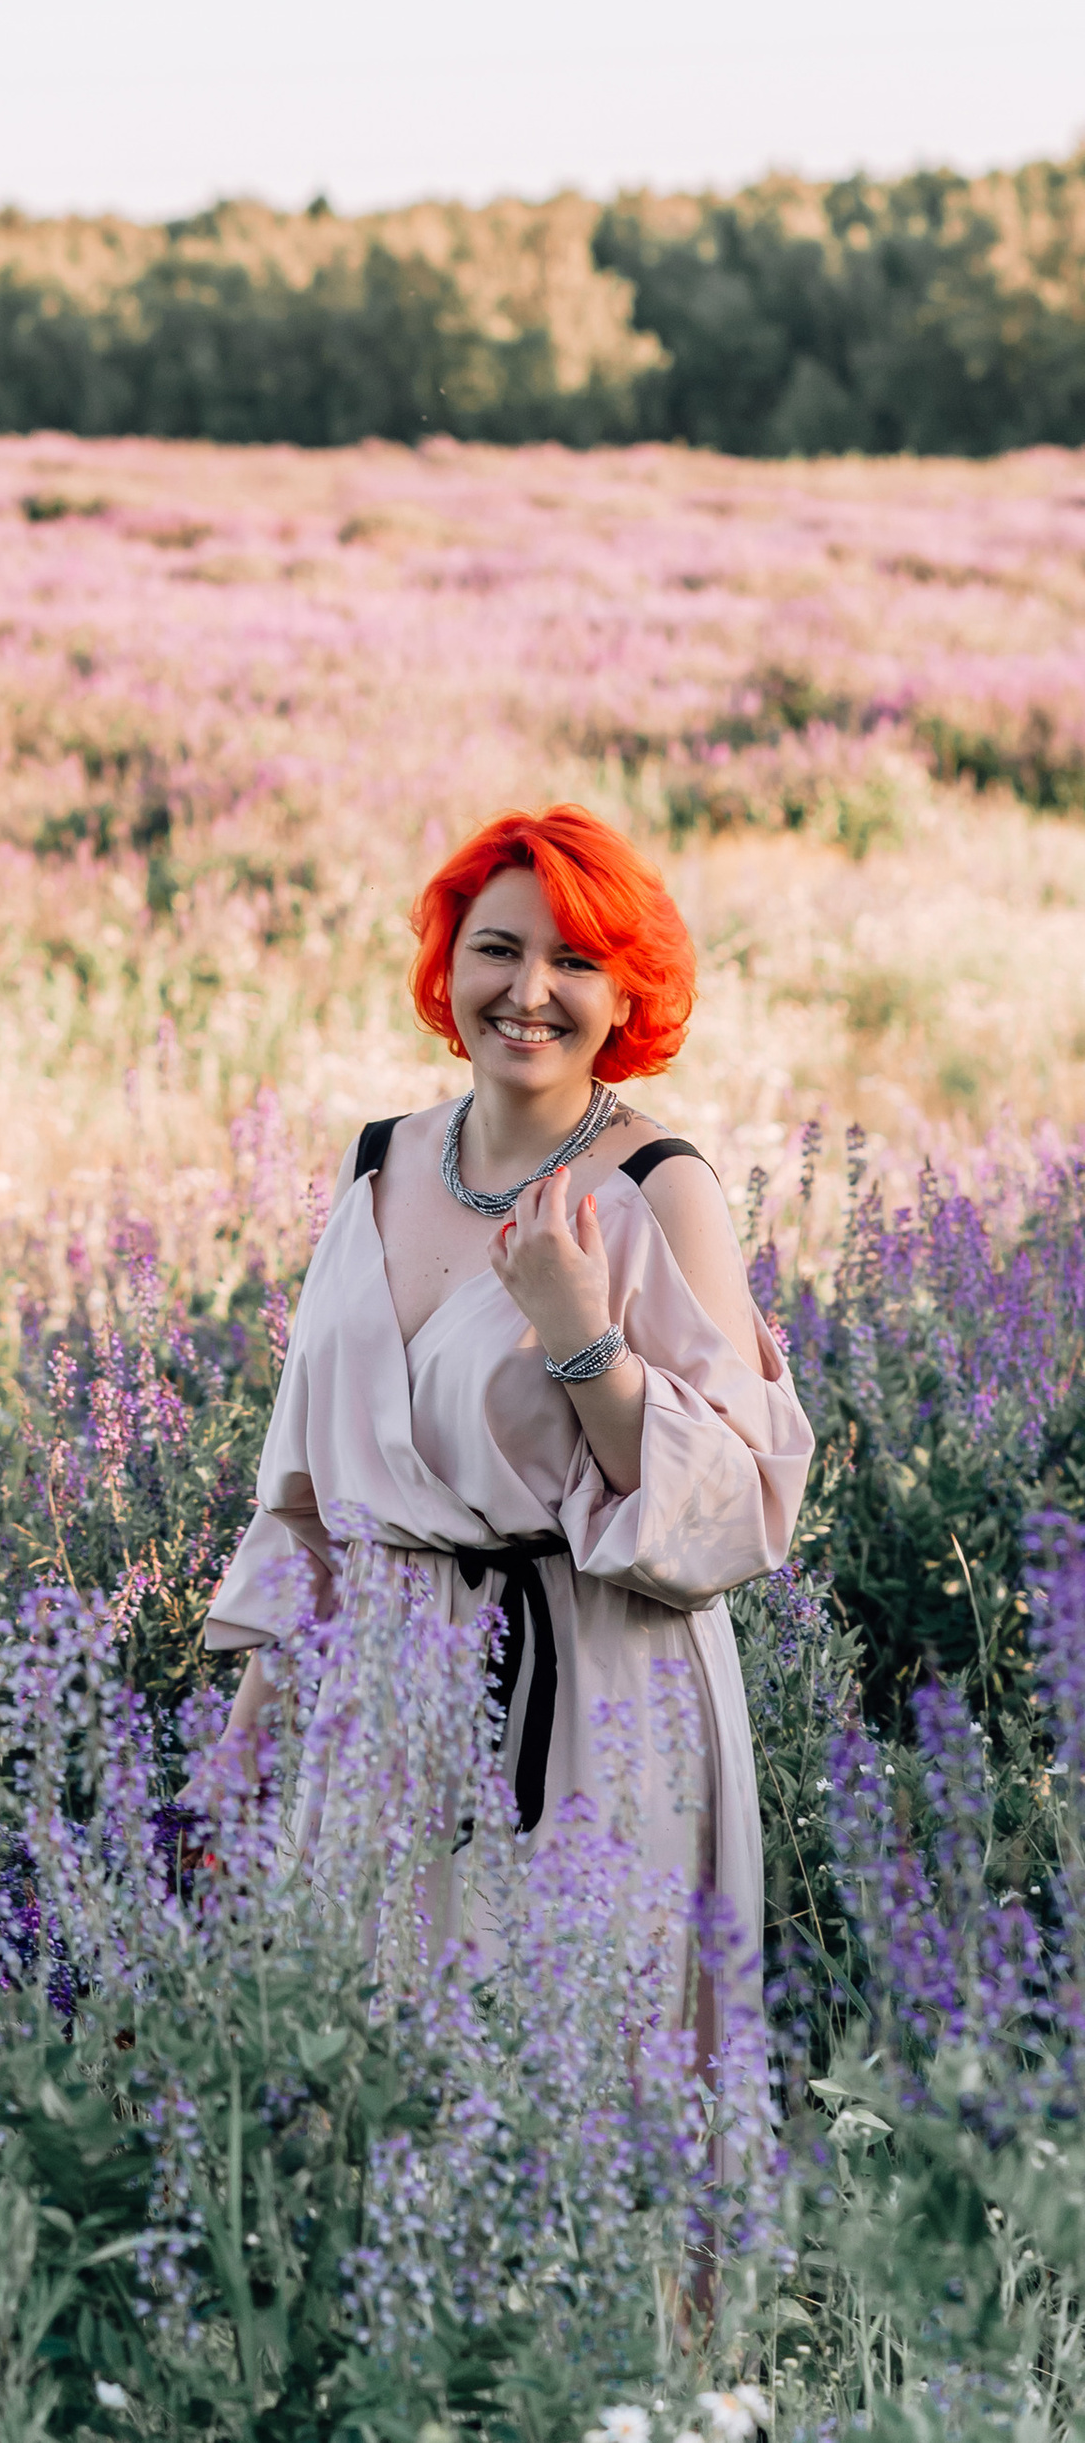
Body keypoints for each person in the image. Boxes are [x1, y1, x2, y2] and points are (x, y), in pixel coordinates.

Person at [205, 804, 812, 2025]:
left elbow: (736, 1514)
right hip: (379, 1694)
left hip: (596, 1704)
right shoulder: (375, 1162)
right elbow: (308, 1497)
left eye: (575, 960)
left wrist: (582, 1336)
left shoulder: (658, 1187)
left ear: (626, 994)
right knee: (377, 2098)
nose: (527, 990)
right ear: (447, 963)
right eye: (497, 948)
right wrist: (243, 1755)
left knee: (581, 2094)